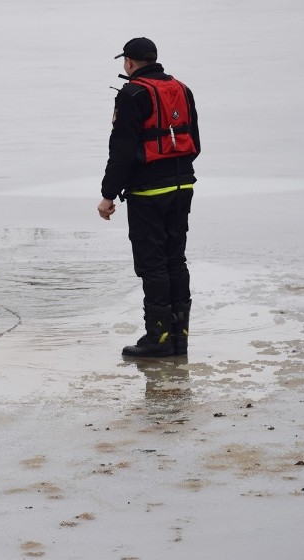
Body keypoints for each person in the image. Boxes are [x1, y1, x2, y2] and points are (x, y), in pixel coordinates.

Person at [97, 37, 200, 357]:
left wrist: (108, 194)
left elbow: (122, 149)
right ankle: (179, 336)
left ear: (129, 62)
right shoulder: (182, 89)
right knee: (175, 260)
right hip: (183, 187)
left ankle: (158, 338)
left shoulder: (132, 94)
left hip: (149, 193)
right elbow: (194, 139)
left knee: (152, 265)